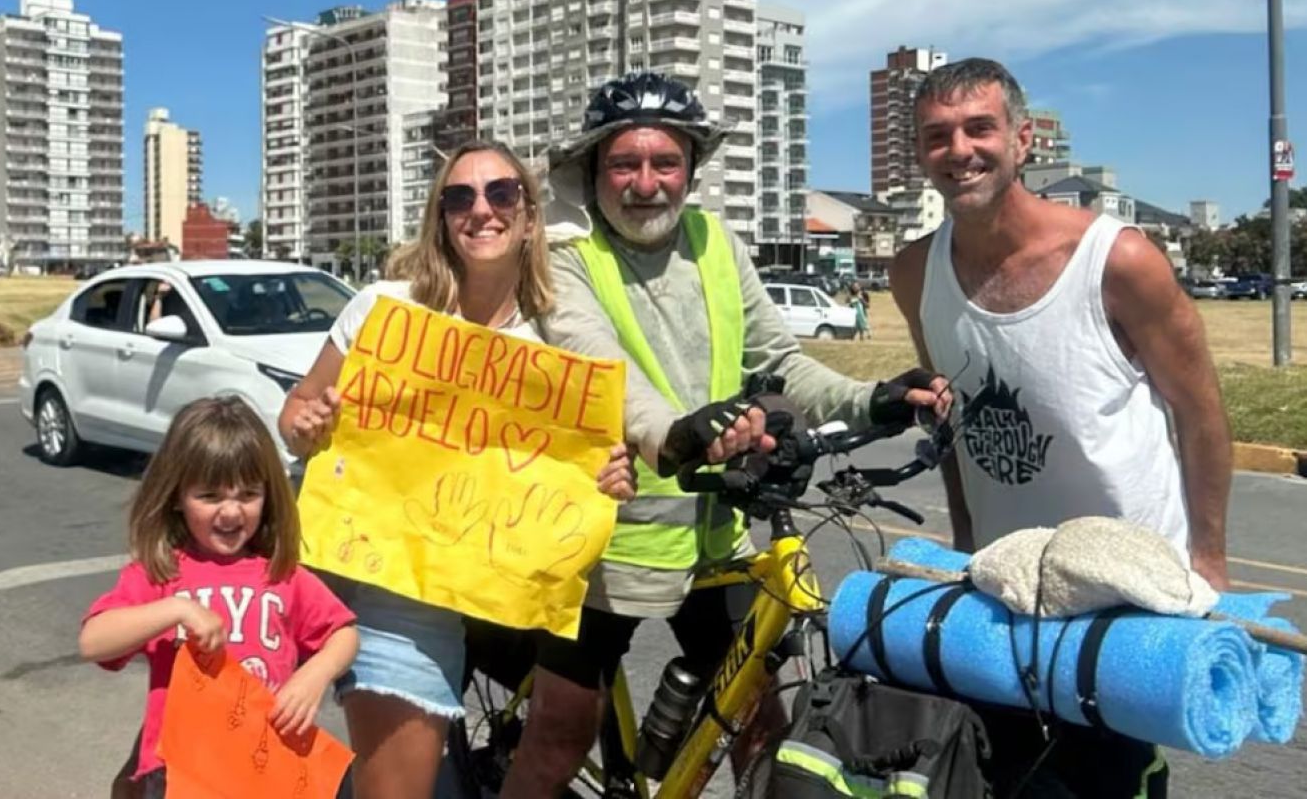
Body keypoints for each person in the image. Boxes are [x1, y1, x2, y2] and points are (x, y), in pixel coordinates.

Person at [502, 72, 950, 797]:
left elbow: (779, 359)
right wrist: (673, 433)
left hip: (717, 527)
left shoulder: (715, 241)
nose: (646, 184)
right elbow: (601, 369)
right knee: (560, 734)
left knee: (759, 725)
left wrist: (874, 400)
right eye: (625, 164)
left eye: (665, 163)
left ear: (690, 169)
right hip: (605, 539)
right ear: (593, 170)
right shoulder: (566, 257)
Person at [278, 139, 732, 799]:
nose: (481, 210)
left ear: (528, 216)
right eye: (459, 197)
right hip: (401, 588)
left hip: (509, 593)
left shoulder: (558, 333)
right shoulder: (384, 310)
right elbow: (295, 413)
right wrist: (308, 424)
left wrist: (607, 481)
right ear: (440, 216)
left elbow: (593, 462)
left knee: (558, 727)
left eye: (502, 194)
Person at [889, 57, 1230, 798]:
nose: (959, 151)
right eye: (937, 136)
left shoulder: (1118, 260)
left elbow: (1199, 413)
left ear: (1023, 140)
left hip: (1126, 590)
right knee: (996, 776)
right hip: (1007, 585)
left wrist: (1207, 563)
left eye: (980, 128)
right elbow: (952, 412)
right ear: (918, 154)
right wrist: (965, 544)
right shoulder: (913, 271)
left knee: (1108, 782)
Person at [81, 397, 359, 799]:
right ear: (176, 495)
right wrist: (175, 608)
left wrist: (314, 675)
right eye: (210, 496)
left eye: (247, 494)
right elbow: (93, 641)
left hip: (268, 771)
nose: (231, 512)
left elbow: (343, 632)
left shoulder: (282, 574)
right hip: (180, 774)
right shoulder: (159, 575)